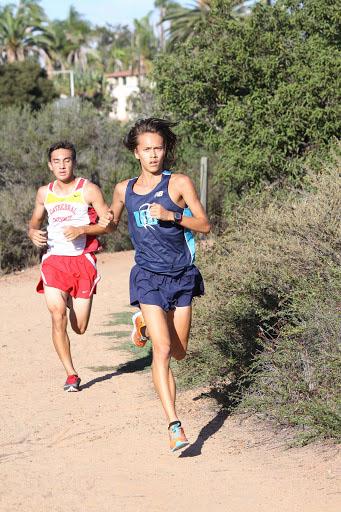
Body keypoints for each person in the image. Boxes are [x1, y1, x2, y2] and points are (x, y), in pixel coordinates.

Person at [101, 118, 210, 451]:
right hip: (147, 276)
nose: (153, 155)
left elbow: (204, 224)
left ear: (166, 150)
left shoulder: (178, 183)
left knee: (179, 352)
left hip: (181, 277)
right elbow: (112, 222)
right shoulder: (125, 189)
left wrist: (172, 216)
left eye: (158, 148)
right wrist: (105, 221)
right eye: (146, 149)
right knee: (162, 351)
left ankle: (145, 326)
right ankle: (174, 425)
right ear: (136, 152)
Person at [28, 141, 111, 392]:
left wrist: (82, 229)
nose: (62, 165)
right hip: (54, 261)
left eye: (67, 160)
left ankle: (69, 298)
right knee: (57, 315)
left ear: (74, 162)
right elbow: (34, 222)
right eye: (57, 161)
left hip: (82, 262)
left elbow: (107, 224)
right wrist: (32, 233)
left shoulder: (88, 190)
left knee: (80, 327)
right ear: (50, 165)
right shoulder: (45, 193)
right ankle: (71, 374)